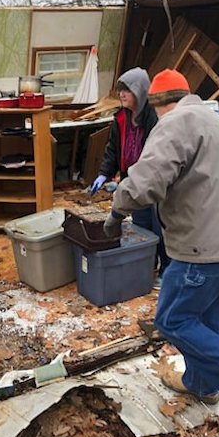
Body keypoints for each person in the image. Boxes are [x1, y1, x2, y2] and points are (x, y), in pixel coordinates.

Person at [104, 68, 219, 428]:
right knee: (207, 322)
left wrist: (117, 207)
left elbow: (147, 181)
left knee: (172, 320)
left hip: (202, 246)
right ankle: (201, 384)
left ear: (156, 105)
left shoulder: (174, 124)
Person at [90, 67, 170, 279]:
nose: (122, 94)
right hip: (130, 178)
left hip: (150, 179)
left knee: (158, 226)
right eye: (121, 90)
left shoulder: (153, 119)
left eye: (128, 90)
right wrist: (103, 173)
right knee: (141, 225)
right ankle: (146, 264)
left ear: (140, 92)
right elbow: (113, 149)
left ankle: (166, 269)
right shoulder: (121, 118)